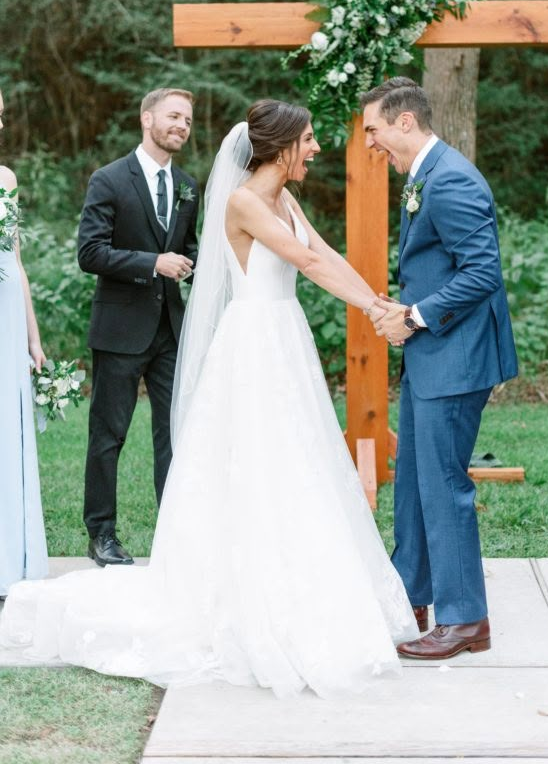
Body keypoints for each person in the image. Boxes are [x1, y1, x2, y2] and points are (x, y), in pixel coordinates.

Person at [0, 100, 417, 697]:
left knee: (299, 462)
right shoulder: (243, 200)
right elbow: (301, 260)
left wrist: (377, 298)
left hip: (285, 338)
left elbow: (321, 252)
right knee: (252, 463)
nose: (317, 149)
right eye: (309, 140)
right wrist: (375, 310)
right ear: (280, 147)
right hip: (253, 345)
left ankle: (302, 581)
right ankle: (247, 596)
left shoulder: (284, 198)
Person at [360, 77, 518, 660]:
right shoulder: (426, 174)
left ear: (405, 122)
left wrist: (416, 316)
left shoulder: (449, 179)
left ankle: (465, 619)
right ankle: (413, 597)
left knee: (444, 485)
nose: (370, 142)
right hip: (433, 356)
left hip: (456, 358)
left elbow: (483, 273)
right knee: (416, 483)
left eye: (374, 128)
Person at [77, 88, 198, 567]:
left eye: (187, 120)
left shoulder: (189, 185)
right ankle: (101, 534)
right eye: (174, 116)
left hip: (170, 330)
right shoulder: (108, 180)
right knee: (108, 436)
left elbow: (190, 248)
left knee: (175, 436)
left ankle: (175, 536)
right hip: (120, 330)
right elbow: (90, 253)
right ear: (147, 119)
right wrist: (153, 262)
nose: (182, 126)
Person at [0, 88, 49, 597]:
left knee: (7, 423)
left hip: (7, 309)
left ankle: (11, 559)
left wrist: (33, 337)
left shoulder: (6, 179)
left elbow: (15, 260)